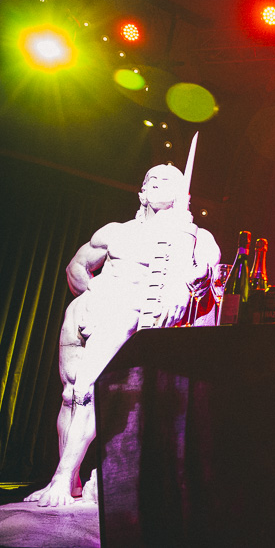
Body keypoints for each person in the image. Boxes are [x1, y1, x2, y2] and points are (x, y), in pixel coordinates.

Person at [25, 164, 220, 507]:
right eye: (152, 178)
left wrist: (183, 285)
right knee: (70, 394)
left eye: (168, 180)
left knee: (88, 392)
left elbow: (207, 271)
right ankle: (69, 480)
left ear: (180, 194)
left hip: (127, 314)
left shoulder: (193, 236)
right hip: (87, 310)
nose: (158, 182)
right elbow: (76, 266)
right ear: (142, 190)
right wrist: (94, 291)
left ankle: (62, 477)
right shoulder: (115, 231)